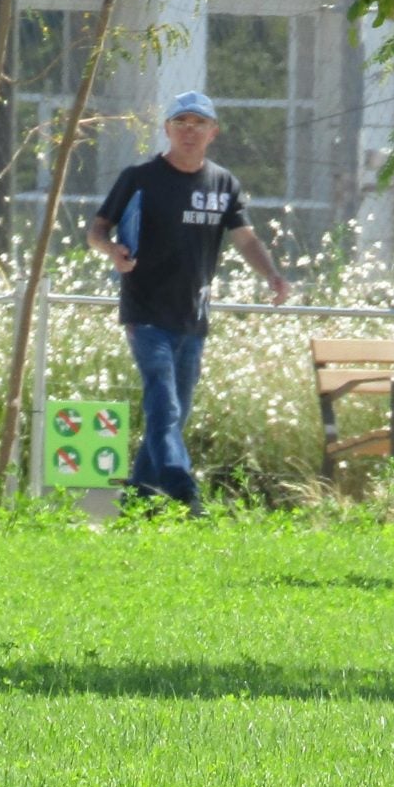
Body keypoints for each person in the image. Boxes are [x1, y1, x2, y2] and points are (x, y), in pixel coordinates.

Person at [88, 92, 290, 510]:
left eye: (198, 122)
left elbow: (245, 237)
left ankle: (138, 501)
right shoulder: (139, 178)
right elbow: (97, 232)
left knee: (174, 414)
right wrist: (113, 252)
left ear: (212, 132)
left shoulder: (223, 183)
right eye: (180, 121)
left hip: (193, 317)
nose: (189, 130)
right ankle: (185, 491)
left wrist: (271, 274)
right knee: (163, 402)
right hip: (145, 313)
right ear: (167, 129)